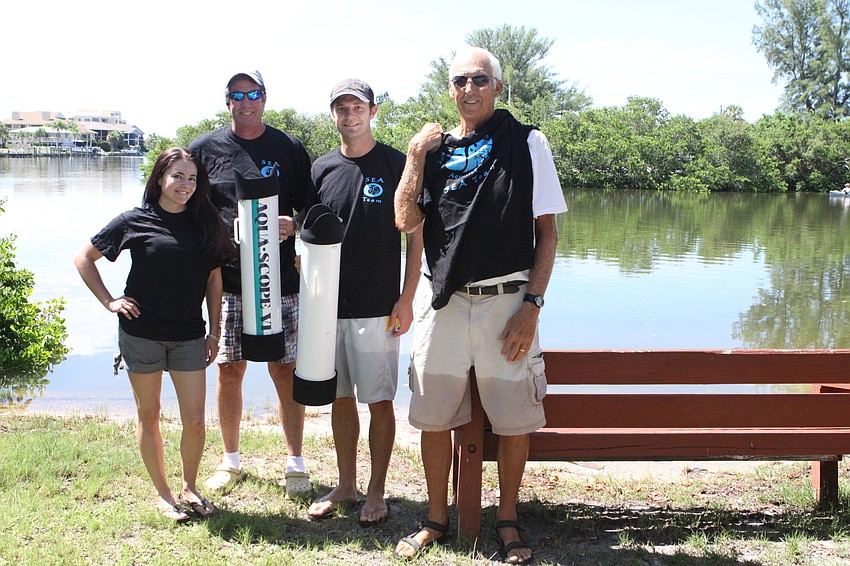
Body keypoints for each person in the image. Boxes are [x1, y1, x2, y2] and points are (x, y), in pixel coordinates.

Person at [392, 47, 567, 564]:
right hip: (444, 302)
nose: (469, 88)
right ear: (450, 89)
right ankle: (434, 518)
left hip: (506, 303)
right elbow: (405, 221)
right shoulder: (436, 148)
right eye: (460, 80)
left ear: (497, 87)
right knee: (432, 416)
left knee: (514, 420)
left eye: (480, 80)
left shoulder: (527, 142)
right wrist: (415, 155)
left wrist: (532, 305)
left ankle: (508, 519)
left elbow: (548, 234)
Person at [74, 147, 232, 522]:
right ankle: (164, 495)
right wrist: (111, 301)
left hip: (190, 335)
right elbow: (84, 258)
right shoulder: (134, 220)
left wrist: (215, 330)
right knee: (150, 414)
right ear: (160, 177)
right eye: (178, 176)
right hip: (141, 332)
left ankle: (190, 488)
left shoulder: (206, 223)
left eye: (192, 178)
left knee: (195, 419)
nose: (185, 185)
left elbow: (214, 279)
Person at [189, 70, 317, 499]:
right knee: (228, 371)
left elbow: (313, 207)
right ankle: (231, 461)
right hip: (226, 283)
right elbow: (185, 208)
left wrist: (293, 224)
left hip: (280, 282)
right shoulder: (204, 150)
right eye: (237, 94)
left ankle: (295, 463)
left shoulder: (288, 148)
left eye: (254, 94)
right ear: (227, 101)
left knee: (285, 371)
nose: (246, 101)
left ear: (265, 98)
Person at [306, 79, 423, 525]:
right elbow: (308, 235)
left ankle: (377, 490)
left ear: (373, 112)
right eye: (341, 108)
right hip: (326, 309)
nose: (349, 115)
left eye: (357, 107)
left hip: (379, 307)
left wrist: (407, 297)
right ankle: (346, 483)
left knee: (378, 401)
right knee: (338, 399)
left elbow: (415, 236)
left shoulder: (395, 164)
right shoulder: (320, 169)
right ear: (333, 114)